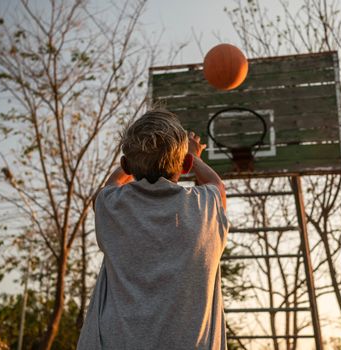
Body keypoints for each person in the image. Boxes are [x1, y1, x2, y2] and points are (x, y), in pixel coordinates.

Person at [77, 109, 229, 349]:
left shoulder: (110, 205)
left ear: (126, 164)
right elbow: (217, 185)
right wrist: (194, 154)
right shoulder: (206, 207)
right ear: (186, 165)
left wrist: (130, 163)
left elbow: (111, 185)